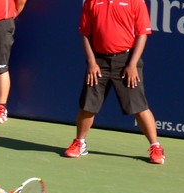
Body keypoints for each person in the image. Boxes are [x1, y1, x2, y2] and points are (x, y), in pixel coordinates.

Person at [64, 0, 166, 164]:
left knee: (139, 107)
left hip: (126, 61)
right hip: (99, 62)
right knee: (88, 105)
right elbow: (85, 33)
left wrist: (132, 64)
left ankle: (156, 146)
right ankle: (79, 142)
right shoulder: (92, 2)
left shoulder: (135, 2)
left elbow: (142, 34)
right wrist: (91, 62)